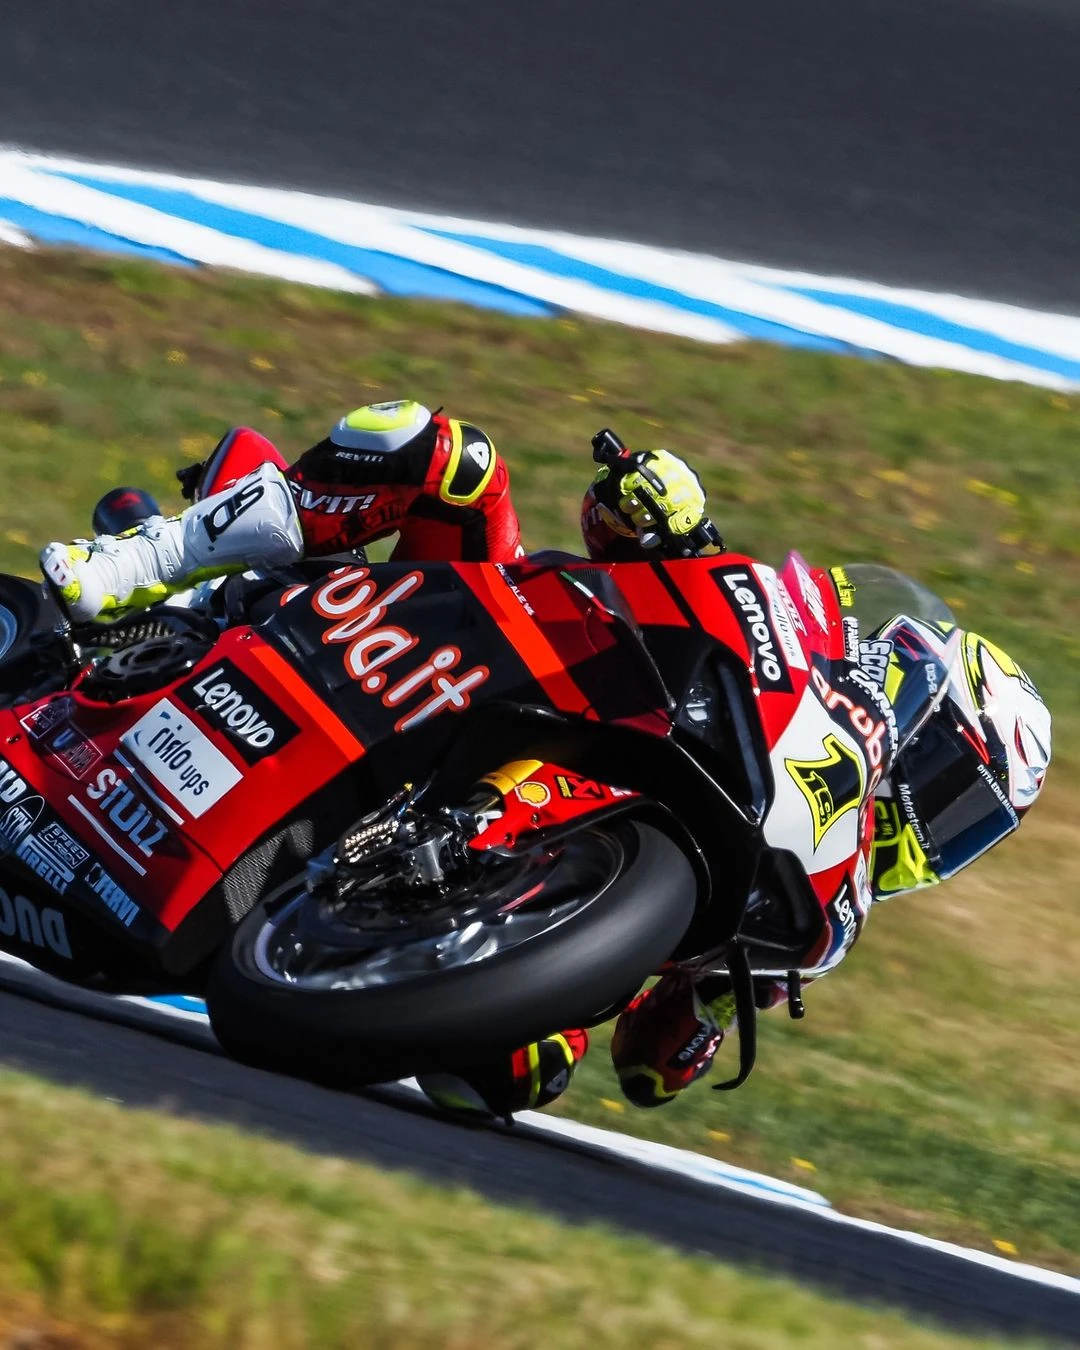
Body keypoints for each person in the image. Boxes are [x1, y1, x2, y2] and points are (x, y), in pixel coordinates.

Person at [39, 400, 1052, 1117]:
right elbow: (625, 540)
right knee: (444, 450)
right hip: (469, 630)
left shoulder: (814, 915)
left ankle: (350, 907)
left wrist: (696, 1016)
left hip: (483, 848)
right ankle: (143, 567)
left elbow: (649, 1071)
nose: (939, 821)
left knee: (513, 1079)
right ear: (915, 690)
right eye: (956, 784)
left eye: (969, 828)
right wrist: (669, 516)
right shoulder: (789, 658)